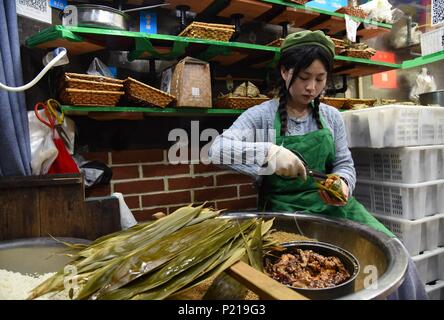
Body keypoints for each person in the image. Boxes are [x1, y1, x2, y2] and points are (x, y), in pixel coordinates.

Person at [209, 30, 427, 300]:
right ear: (285, 71)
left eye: (320, 79)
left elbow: (344, 163)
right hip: (286, 216)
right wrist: (268, 153)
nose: (311, 87)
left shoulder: (331, 117)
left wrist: (343, 184)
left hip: (336, 211)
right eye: (303, 78)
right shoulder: (260, 116)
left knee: (395, 259)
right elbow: (217, 150)